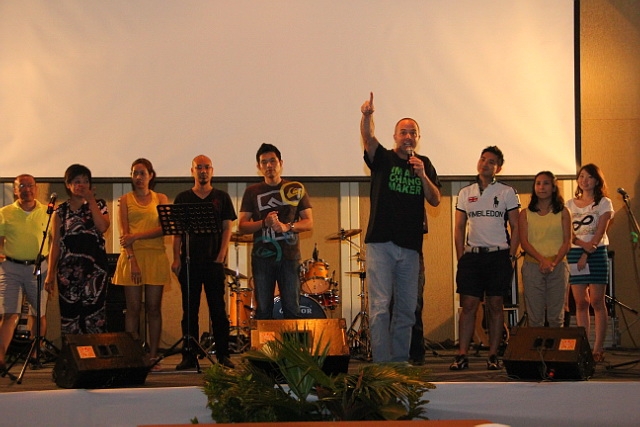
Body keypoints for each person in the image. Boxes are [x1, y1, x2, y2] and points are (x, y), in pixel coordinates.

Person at [360, 92, 441, 363]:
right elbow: (368, 138)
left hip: (410, 248)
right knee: (381, 307)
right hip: (381, 244)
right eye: (403, 132)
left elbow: (435, 199)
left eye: (412, 133)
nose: (408, 136)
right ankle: (382, 365)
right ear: (395, 136)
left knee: (406, 309)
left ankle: (400, 363)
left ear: (418, 138)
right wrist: (367, 116)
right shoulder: (383, 158)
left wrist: (422, 175)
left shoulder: (424, 164)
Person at [451, 146, 520, 371]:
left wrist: (511, 256)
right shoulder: (465, 192)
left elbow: (516, 226)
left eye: (491, 161)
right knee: (469, 305)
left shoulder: (507, 192)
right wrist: (461, 255)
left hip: (498, 256)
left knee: (495, 305)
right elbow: (459, 227)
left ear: (498, 168)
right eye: (483, 159)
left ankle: (493, 355)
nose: (485, 164)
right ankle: (462, 355)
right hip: (472, 257)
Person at [171, 155, 235, 370]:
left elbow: (227, 228)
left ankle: (223, 355)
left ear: (212, 170)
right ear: (192, 171)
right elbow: (177, 233)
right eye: (199, 167)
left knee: (218, 310)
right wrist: (176, 258)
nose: (203, 171)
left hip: (213, 262)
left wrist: (221, 255)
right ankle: (189, 355)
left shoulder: (222, 197)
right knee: (190, 310)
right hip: (189, 263)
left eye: (206, 167)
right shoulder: (183, 198)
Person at [238, 143, 313, 320]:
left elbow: (309, 222)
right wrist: (264, 222)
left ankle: (291, 340)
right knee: (263, 310)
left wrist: (288, 227)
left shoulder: (295, 188)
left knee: (292, 309)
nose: (269, 165)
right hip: (262, 258)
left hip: (289, 257)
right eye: (264, 162)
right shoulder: (251, 192)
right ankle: (265, 340)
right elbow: (242, 226)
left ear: (281, 163)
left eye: (273, 161)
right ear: (258, 167)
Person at [112, 159, 171, 370]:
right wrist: (132, 259)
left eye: (142, 173)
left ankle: (153, 356)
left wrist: (137, 236)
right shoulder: (124, 200)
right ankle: (133, 356)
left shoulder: (161, 198)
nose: (138, 177)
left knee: (154, 309)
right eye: (134, 173)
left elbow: (165, 228)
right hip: (132, 258)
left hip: (155, 256)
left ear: (150, 175)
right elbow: (124, 235)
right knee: (133, 309)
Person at [44, 164, 111, 335]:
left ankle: (96, 352)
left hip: (95, 269)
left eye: (86, 181)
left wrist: (91, 201)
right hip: (68, 272)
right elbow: (55, 243)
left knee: (94, 316)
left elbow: (103, 227)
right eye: (77, 181)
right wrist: (50, 273)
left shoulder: (99, 204)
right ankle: (74, 351)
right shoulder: (60, 211)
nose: (82, 185)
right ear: (68, 185)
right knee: (70, 317)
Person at [0, 175, 51, 371]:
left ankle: (35, 353)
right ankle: (1, 356)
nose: (26, 189)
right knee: (9, 313)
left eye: (30, 185)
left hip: (38, 267)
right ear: (15, 190)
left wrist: (52, 271)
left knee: (38, 313)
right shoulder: (5, 212)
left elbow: (55, 241)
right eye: (21, 186)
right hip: (10, 268)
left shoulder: (48, 212)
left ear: (36, 189)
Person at [566, 163, 613, 363]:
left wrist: (588, 251)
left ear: (597, 180)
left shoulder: (604, 203)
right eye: (582, 176)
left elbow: (600, 231)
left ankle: (598, 348)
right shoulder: (569, 204)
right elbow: (568, 233)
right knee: (580, 302)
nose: (584, 181)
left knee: (597, 301)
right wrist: (581, 247)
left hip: (597, 252)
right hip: (575, 252)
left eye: (589, 177)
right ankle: (582, 347)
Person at [519, 171, 571, 328]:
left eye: (546, 183)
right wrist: (542, 261)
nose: (542, 187)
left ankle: (555, 345)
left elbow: (567, 241)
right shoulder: (525, 214)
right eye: (538, 183)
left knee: (556, 317)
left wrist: (553, 263)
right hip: (533, 266)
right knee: (535, 318)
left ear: (554, 188)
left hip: (558, 266)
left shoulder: (563, 212)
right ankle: (538, 345)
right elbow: (524, 242)